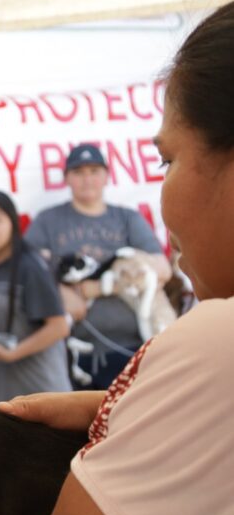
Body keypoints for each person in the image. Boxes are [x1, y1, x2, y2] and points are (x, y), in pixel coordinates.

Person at [2, 2, 234, 515]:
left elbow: (156, 268)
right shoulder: (50, 223)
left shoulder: (217, 340)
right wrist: (133, 406)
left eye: (167, 160)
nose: (164, 196)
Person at [24, 143, 171, 389]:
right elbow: (26, 269)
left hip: (132, 349)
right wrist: (60, 293)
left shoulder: (127, 219)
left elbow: (162, 270)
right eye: (78, 172)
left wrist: (94, 289)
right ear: (67, 178)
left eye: (94, 171)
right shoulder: (48, 221)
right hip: (73, 353)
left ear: (106, 176)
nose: (87, 179)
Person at [0, 189, 71, 402]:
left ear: (12, 222)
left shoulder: (31, 266)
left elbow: (59, 327)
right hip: (5, 392)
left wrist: (12, 354)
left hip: (42, 391)